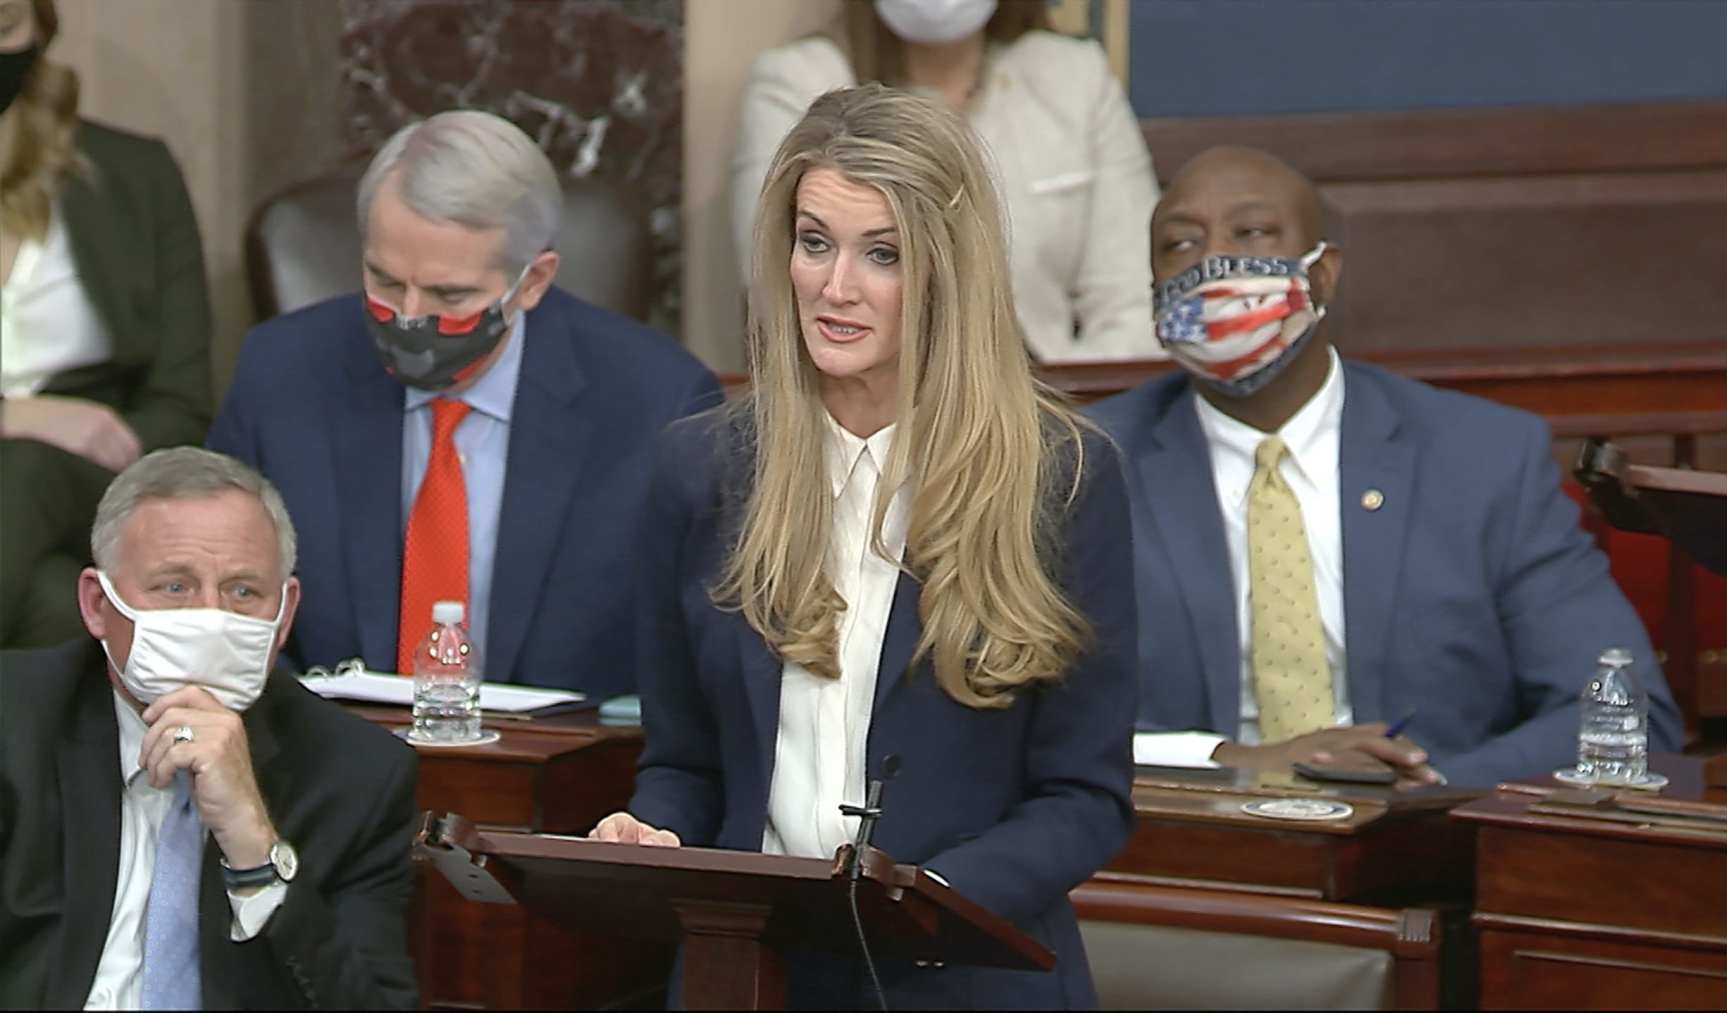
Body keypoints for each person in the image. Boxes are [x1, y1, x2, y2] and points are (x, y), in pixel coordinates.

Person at [592, 85, 1138, 1008]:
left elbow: (1085, 797)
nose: (834, 287)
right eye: (815, 242)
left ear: (946, 272)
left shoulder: (1060, 476)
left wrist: (916, 901)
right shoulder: (703, 469)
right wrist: (654, 833)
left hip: (965, 974)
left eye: (881, 254)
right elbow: (684, 763)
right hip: (753, 976)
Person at [1088, 145, 1682, 788]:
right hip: (1190, 855)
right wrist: (1234, 761)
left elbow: (1621, 716)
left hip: (1434, 853)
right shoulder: (1082, 467)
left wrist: (1422, 795)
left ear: (1324, 274)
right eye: (1180, 245)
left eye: (1252, 233)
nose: (1213, 265)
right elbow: (1020, 730)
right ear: (1152, 292)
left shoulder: (1482, 460)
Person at [209, 110, 720, 697]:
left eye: (450, 294)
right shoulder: (282, 372)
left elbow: (692, 659)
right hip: (330, 762)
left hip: (565, 771)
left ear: (533, 281)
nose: (409, 316)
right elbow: (220, 607)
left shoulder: (659, 403)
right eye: (386, 280)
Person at [0, 446, 416, 1008]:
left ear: (285, 614)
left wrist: (255, 844)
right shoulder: (15, 722)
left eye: (243, 592)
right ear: (98, 603)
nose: (209, 617)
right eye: (175, 586)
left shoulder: (356, 774)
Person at [731, 0, 1160, 362]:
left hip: (1049, 401)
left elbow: (1135, 303)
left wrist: (1059, 417)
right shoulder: (794, 81)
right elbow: (774, 289)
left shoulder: (1073, 76)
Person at [0, 0, 213, 650]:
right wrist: (18, 415)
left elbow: (181, 402)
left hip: (98, 479)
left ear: (41, 29)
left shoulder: (136, 176)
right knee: (55, 607)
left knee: (28, 471)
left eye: (4, 27)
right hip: (30, 548)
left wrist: (77, 438)